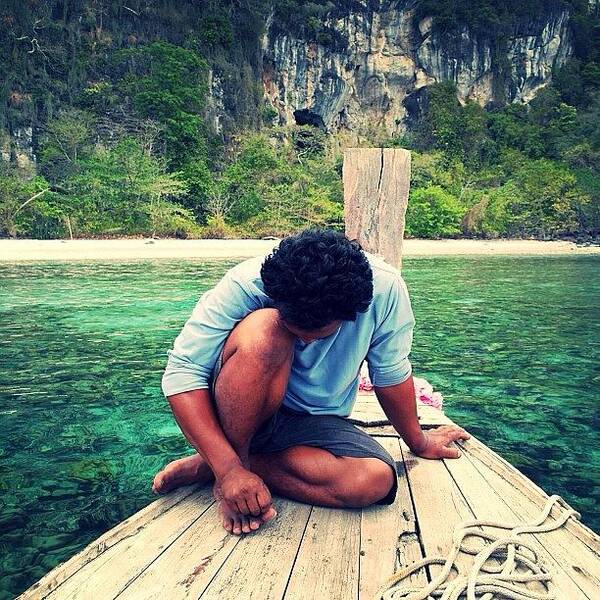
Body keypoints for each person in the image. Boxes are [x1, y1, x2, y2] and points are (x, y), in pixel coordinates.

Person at [153, 228, 469, 535]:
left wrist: (419, 442)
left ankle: (217, 466)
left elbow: (390, 373)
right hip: (242, 412)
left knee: (375, 480)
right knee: (267, 331)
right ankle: (231, 465)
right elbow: (183, 372)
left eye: (314, 330)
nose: (303, 338)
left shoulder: (385, 290)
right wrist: (228, 471)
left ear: (349, 313)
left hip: (314, 421)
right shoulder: (247, 282)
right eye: (295, 324)